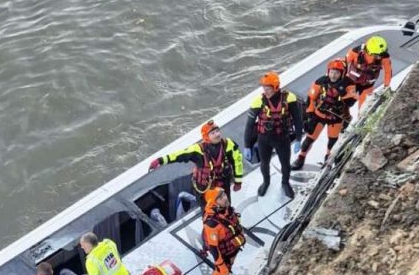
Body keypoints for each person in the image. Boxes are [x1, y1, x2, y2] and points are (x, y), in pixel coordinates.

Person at [148, 119, 244, 207]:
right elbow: (178, 155)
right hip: (205, 188)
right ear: (206, 137)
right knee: (208, 212)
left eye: (218, 131)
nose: (217, 134)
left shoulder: (229, 144)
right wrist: (160, 161)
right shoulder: (198, 150)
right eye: (213, 133)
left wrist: (238, 182)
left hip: (223, 184)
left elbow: (237, 162)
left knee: (226, 207)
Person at [244, 71, 303, 199]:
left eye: (268, 88)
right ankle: (266, 182)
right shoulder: (258, 101)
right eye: (264, 88)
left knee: (285, 163)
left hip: (283, 138)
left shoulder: (289, 98)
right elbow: (249, 125)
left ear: (276, 87)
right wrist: (247, 145)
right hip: (264, 139)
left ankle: (285, 183)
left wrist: (298, 139)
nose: (266, 91)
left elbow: (298, 119)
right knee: (264, 163)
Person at [291, 59, 357, 170]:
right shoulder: (321, 81)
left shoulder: (349, 84)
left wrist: (344, 93)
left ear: (342, 73)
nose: (333, 75)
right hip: (319, 115)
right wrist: (309, 116)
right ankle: (301, 158)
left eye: (337, 73)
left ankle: (328, 160)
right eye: (331, 72)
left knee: (332, 141)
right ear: (328, 71)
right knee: (309, 139)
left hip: (335, 118)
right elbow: (311, 99)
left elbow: (351, 102)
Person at [201, 187, 246, 275]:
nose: (225, 198)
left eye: (224, 194)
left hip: (232, 246)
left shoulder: (226, 210)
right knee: (220, 270)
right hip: (222, 251)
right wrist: (220, 264)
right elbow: (213, 247)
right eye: (220, 197)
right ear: (214, 202)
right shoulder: (212, 223)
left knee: (229, 266)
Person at [345, 35, 392, 108]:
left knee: (364, 107)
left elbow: (388, 72)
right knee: (344, 102)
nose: (381, 57)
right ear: (370, 52)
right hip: (351, 82)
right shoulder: (355, 52)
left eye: (383, 53)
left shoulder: (385, 58)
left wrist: (386, 86)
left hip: (367, 86)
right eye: (378, 55)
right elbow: (344, 64)